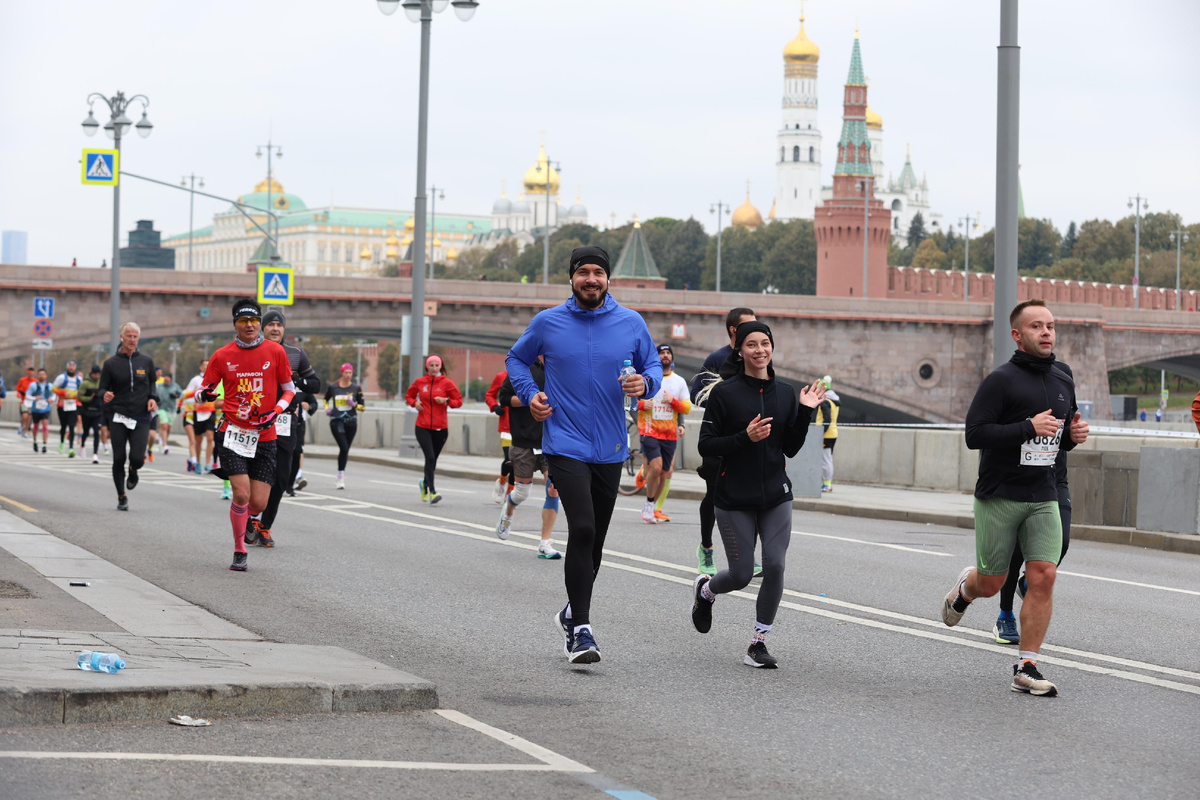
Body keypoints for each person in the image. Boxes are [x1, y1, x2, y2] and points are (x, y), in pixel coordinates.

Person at [506, 244, 661, 664]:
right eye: (583, 272)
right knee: (584, 528)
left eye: (598, 272)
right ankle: (582, 632)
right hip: (565, 442)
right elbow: (516, 359)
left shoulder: (631, 322)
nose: (591, 279)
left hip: (611, 447)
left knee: (595, 543)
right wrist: (531, 393)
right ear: (572, 279)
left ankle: (571, 612)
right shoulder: (548, 322)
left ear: (608, 279)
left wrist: (645, 384)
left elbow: (653, 367)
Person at [940, 299, 1088, 697]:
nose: (1046, 332)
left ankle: (1027, 666)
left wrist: (1072, 437)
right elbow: (975, 434)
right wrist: (1027, 426)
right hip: (1000, 494)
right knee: (992, 583)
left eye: (1050, 326)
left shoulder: (1063, 377)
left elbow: (1058, 439)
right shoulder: (1001, 380)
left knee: (1044, 575)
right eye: (1037, 326)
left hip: (1044, 494)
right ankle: (965, 589)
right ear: (1017, 335)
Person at [690, 321, 825, 669]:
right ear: (740, 350)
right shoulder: (725, 394)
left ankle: (758, 643)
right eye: (752, 344)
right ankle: (706, 591)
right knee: (741, 575)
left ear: (772, 348)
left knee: (775, 566)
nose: (760, 350)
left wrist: (805, 410)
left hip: (776, 494)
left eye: (765, 343)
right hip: (734, 495)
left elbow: (791, 448)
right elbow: (706, 445)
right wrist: (743, 438)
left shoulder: (786, 393)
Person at [199, 298, 295, 571]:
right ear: (235, 325)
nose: (250, 325)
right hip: (232, 432)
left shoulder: (275, 351)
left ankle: (247, 518)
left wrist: (275, 411)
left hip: (265, 434)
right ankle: (239, 549)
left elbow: (289, 390)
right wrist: (205, 395)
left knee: (258, 503)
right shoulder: (222, 355)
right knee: (241, 495)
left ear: (259, 323)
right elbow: (201, 392)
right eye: (243, 321)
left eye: (254, 320)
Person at [993, 361, 1077, 646]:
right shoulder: (1012, 380)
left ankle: (1028, 583)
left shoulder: (1064, 377)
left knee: (1060, 542)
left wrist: (1075, 433)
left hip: (1055, 480)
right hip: (1020, 479)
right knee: (1016, 552)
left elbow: (1067, 429)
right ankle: (1005, 615)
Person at [690, 307, 757, 576]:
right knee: (715, 495)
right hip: (718, 438)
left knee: (750, 498)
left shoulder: (756, 358)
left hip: (750, 439)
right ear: (733, 330)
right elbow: (696, 394)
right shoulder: (717, 359)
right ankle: (706, 548)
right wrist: (724, 403)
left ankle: (746, 554)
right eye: (749, 325)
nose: (756, 329)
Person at [247, 309, 320, 547]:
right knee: (254, 475)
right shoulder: (252, 350)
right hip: (256, 422)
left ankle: (265, 527)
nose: (275, 329)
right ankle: (250, 518)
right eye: (271, 325)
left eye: (279, 325)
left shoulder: (295, 353)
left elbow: (315, 383)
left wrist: (295, 380)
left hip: (285, 423)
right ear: (263, 328)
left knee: (281, 478)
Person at [495, 357, 561, 559]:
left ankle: (544, 543)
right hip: (524, 440)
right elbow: (504, 398)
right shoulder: (523, 368)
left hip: (552, 442)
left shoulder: (562, 367)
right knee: (522, 493)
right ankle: (508, 512)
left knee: (554, 489)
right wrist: (529, 400)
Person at [97, 323, 158, 510]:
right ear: (122, 337)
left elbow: (152, 384)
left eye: (135, 336)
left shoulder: (146, 362)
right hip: (119, 415)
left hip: (141, 416)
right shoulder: (111, 364)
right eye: (129, 336)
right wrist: (105, 394)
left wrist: (153, 398)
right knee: (119, 457)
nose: (132, 340)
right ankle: (121, 496)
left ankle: (133, 470)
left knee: (137, 457)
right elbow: (101, 389)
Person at [637, 344, 691, 524]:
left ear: (672, 357)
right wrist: (643, 404)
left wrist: (672, 401)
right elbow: (629, 400)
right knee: (657, 467)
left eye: (668, 353)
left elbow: (687, 407)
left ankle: (651, 507)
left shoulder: (679, 381)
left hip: (669, 434)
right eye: (662, 353)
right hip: (649, 430)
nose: (665, 355)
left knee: (664, 473)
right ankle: (649, 503)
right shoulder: (647, 379)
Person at [405, 355, 462, 503]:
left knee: (433, 460)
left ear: (440, 367)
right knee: (430, 458)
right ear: (427, 367)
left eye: (437, 365)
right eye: (431, 365)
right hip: (422, 426)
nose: (434, 368)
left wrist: (446, 400)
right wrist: (414, 403)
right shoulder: (419, 382)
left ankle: (424, 483)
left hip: (441, 428)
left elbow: (458, 401)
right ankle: (432, 492)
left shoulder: (447, 383)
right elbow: (409, 396)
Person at [324, 364, 364, 490]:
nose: (348, 375)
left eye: (350, 373)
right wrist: (327, 409)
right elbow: (325, 400)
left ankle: (340, 475)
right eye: (346, 372)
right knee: (344, 447)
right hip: (336, 421)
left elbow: (362, 407)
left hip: (351, 422)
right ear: (342, 373)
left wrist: (354, 405)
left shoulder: (356, 388)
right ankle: (340, 477)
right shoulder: (333, 387)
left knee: (345, 450)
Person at [485, 369, 515, 504]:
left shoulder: (528, 375)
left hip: (522, 427)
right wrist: (495, 406)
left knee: (516, 461)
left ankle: (510, 491)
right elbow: (489, 395)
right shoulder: (501, 376)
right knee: (509, 458)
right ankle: (502, 481)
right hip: (506, 426)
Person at [182, 359, 217, 473]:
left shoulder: (215, 378)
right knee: (199, 439)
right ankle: (197, 462)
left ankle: (208, 463)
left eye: (209, 365)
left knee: (210, 438)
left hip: (211, 411)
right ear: (200, 367)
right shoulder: (196, 380)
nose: (207, 367)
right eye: (205, 365)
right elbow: (185, 394)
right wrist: (197, 393)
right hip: (198, 412)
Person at [52, 361, 84, 457]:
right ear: (67, 367)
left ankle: (71, 448)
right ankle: (62, 442)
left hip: (73, 405)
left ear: (75, 368)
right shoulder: (61, 378)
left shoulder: (79, 379)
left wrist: (78, 395)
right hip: (62, 405)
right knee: (63, 426)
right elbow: (53, 388)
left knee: (72, 426)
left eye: (73, 366)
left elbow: (82, 390)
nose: (71, 368)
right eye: (70, 366)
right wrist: (63, 393)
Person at [814, 375, 840, 493]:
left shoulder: (825, 402)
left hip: (826, 435)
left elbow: (826, 420)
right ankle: (827, 483)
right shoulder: (833, 400)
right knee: (828, 458)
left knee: (826, 460)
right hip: (832, 433)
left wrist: (820, 433)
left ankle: (827, 484)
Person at [77, 365, 105, 463]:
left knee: (96, 433)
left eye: (98, 374)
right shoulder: (85, 383)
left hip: (98, 412)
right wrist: (89, 398)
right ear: (91, 373)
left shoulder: (101, 383)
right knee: (86, 432)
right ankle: (82, 445)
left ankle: (95, 455)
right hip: (87, 411)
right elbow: (79, 396)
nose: (97, 376)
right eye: (95, 374)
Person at [25, 368, 54, 453]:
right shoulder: (33, 385)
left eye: (43, 374)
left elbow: (54, 395)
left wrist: (51, 399)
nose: (42, 376)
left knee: (45, 425)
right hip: (36, 409)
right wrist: (35, 398)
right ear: (37, 375)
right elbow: (27, 395)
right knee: (36, 426)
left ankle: (44, 444)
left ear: (46, 375)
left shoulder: (50, 386)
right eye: (40, 374)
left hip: (46, 408)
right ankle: (35, 441)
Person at [153, 373, 182, 456]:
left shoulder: (175, 386)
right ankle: (165, 445)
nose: (166, 381)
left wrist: (175, 396)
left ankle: (162, 440)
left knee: (168, 428)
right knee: (164, 426)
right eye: (165, 380)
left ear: (171, 380)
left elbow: (181, 394)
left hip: (172, 410)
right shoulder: (159, 386)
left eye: (168, 380)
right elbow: (154, 394)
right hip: (161, 408)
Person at [16, 366, 35, 438]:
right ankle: (22, 426)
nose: (30, 374)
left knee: (29, 417)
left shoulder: (35, 381)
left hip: (31, 401)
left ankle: (25, 431)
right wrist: (19, 394)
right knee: (25, 415)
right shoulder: (22, 380)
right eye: (29, 372)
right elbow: (18, 388)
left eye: (31, 372)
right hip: (24, 400)